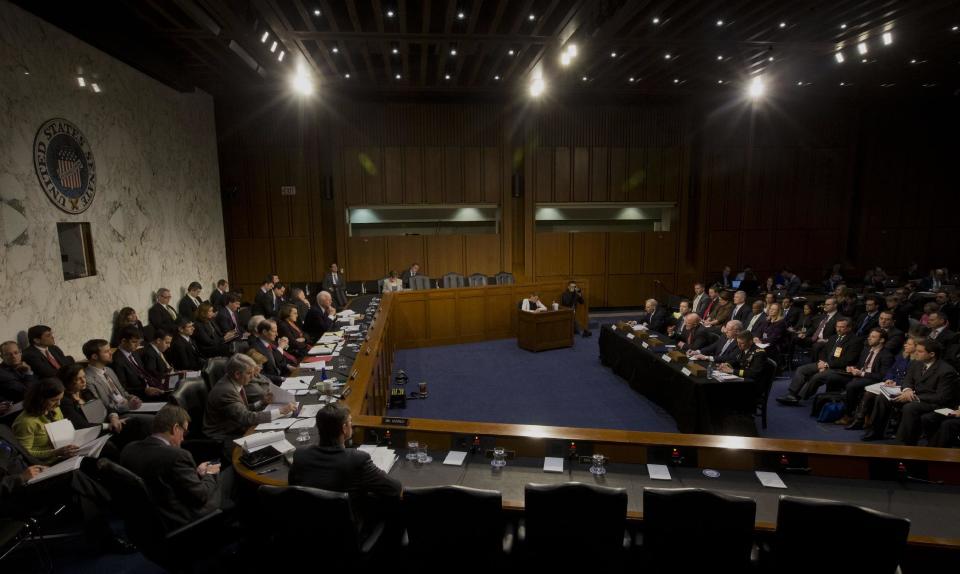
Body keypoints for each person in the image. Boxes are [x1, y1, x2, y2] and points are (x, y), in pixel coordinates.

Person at [289, 403, 401, 526]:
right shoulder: (357, 459)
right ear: (344, 428)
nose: (352, 425)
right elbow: (394, 488)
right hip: (347, 537)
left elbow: (292, 486)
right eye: (350, 422)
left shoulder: (300, 455)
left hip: (309, 530)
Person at [121, 405, 231, 529]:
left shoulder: (128, 449)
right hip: (185, 519)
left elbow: (161, 479)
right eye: (184, 431)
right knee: (230, 474)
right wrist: (210, 473)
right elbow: (201, 496)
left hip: (150, 522)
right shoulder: (177, 456)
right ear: (176, 428)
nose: (183, 438)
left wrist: (194, 473)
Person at [861, 339, 960, 443]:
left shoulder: (946, 371)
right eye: (916, 350)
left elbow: (942, 397)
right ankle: (876, 432)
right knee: (883, 397)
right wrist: (907, 390)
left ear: (932, 354)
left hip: (933, 402)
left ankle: (904, 442)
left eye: (920, 351)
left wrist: (912, 397)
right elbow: (907, 380)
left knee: (911, 407)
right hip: (913, 395)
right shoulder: (916, 363)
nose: (916, 353)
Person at [57, 364, 146, 457]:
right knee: (110, 446)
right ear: (67, 381)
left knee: (137, 423)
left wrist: (114, 418)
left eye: (84, 377)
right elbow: (81, 425)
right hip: (92, 434)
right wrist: (108, 425)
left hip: (108, 425)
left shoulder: (86, 392)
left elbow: (106, 407)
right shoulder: (64, 401)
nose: (84, 381)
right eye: (78, 379)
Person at [203, 354, 295, 442]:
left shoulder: (234, 380)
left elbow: (241, 410)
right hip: (224, 436)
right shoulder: (226, 391)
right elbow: (246, 418)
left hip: (236, 426)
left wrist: (261, 402)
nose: (253, 376)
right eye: (249, 373)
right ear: (237, 374)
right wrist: (281, 411)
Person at [777, 318, 862, 405]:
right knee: (801, 369)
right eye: (837, 327)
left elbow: (848, 360)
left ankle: (798, 397)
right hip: (825, 363)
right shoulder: (833, 337)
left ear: (849, 328)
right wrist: (822, 362)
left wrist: (827, 365)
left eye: (842, 327)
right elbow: (824, 352)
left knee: (817, 376)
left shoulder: (855, 341)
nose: (839, 329)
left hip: (839, 368)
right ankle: (792, 393)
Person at [12, 378, 79, 464]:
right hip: (48, 464)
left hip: (65, 455)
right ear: (40, 399)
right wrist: (55, 452)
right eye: (54, 400)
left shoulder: (55, 409)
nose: (58, 404)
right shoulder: (25, 422)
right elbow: (25, 453)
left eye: (60, 399)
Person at [81, 339, 143, 414]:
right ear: (94, 356)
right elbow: (102, 407)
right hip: (116, 415)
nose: (111, 353)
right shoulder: (87, 379)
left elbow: (122, 392)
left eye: (110, 350)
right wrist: (128, 406)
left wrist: (131, 398)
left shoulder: (109, 370)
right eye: (106, 352)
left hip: (127, 407)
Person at [112, 325, 165, 399]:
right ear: (123, 341)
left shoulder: (134, 353)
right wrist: (145, 390)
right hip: (139, 396)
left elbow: (144, 373)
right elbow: (123, 389)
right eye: (134, 342)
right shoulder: (117, 361)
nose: (137, 345)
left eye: (139, 342)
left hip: (152, 387)